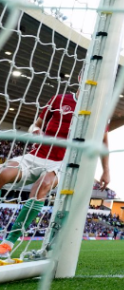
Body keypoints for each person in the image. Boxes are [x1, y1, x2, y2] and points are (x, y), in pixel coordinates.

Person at [0, 93, 110, 258]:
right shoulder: (59, 99)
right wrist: (36, 131)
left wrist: (106, 170)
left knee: (43, 185)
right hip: (37, 155)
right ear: (81, 78)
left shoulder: (100, 112)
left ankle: (7, 245)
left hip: (62, 162)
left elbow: (103, 142)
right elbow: (35, 125)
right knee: (3, 173)